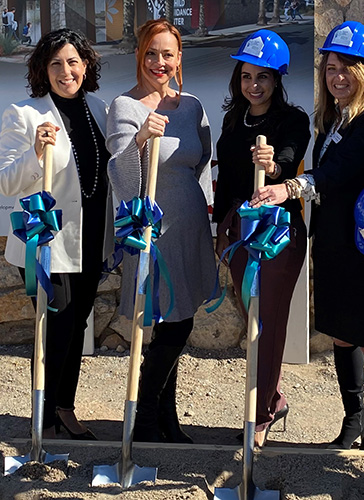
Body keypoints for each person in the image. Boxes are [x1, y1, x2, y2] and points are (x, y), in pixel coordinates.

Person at [251, 21, 364, 451]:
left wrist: (289, 186)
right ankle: (352, 419)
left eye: (348, 67)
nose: (337, 76)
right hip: (331, 243)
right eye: (331, 67)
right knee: (340, 332)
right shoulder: (329, 120)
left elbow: (336, 172)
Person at [0, 28, 114, 440]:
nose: (67, 71)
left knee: (77, 324)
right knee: (54, 327)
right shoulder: (25, 114)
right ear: (43, 70)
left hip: (90, 240)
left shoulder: (99, 108)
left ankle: (64, 408)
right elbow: (5, 182)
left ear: (86, 66)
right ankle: (42, 421)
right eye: (57, 63)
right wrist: (36, 152)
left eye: (74, 62)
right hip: (48, 245)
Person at [106, 19, 217, 443]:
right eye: (151, 53)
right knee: (171, 324)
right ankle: (146, 416)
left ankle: (165, 419)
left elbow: (202, 161)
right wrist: (138, 142)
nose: (159, 62)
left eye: (167, 54)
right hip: (154, 230)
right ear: (140, 56)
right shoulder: (125, 107)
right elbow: (119, 174)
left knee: (181, 318)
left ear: (178, 59)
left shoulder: (191, 106)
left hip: (188, 224)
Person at [213, 30, 311, 447]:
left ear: (278, 80)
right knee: (251, 317)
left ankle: (262, 414)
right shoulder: (233, 119)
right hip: (239, 231)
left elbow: (288, 160)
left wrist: (272, 168)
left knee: (268, 323)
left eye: (264, 78)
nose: (254, 85)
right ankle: (272, 395)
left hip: (278, 234)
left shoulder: (293, 119)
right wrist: (221, 229)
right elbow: (226, 181)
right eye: (247, 76)